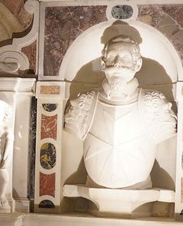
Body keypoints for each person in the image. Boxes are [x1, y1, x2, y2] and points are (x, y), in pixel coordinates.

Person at [64, 33, 176, 188]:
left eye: (125, 58)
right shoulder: (84, 102)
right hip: (93, 186)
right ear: (103, 63)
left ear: (137, 64)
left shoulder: (154, 103)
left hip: (140, 187)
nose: (117, 63)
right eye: (112, 57)